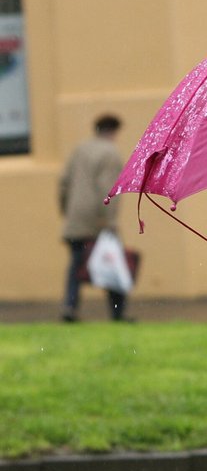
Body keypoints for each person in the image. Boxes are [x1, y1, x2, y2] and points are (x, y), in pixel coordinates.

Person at [59, 113, 128, 322]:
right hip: (98, 221)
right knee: (111, 265)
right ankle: (118, 314)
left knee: (76, 267)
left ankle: (70, 308)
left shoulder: (79, 150)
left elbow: (64, 183)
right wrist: (110, 221)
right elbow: (108, 190)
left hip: (76, 219)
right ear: (114, 131)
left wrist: (67, 212)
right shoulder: (110, 153)